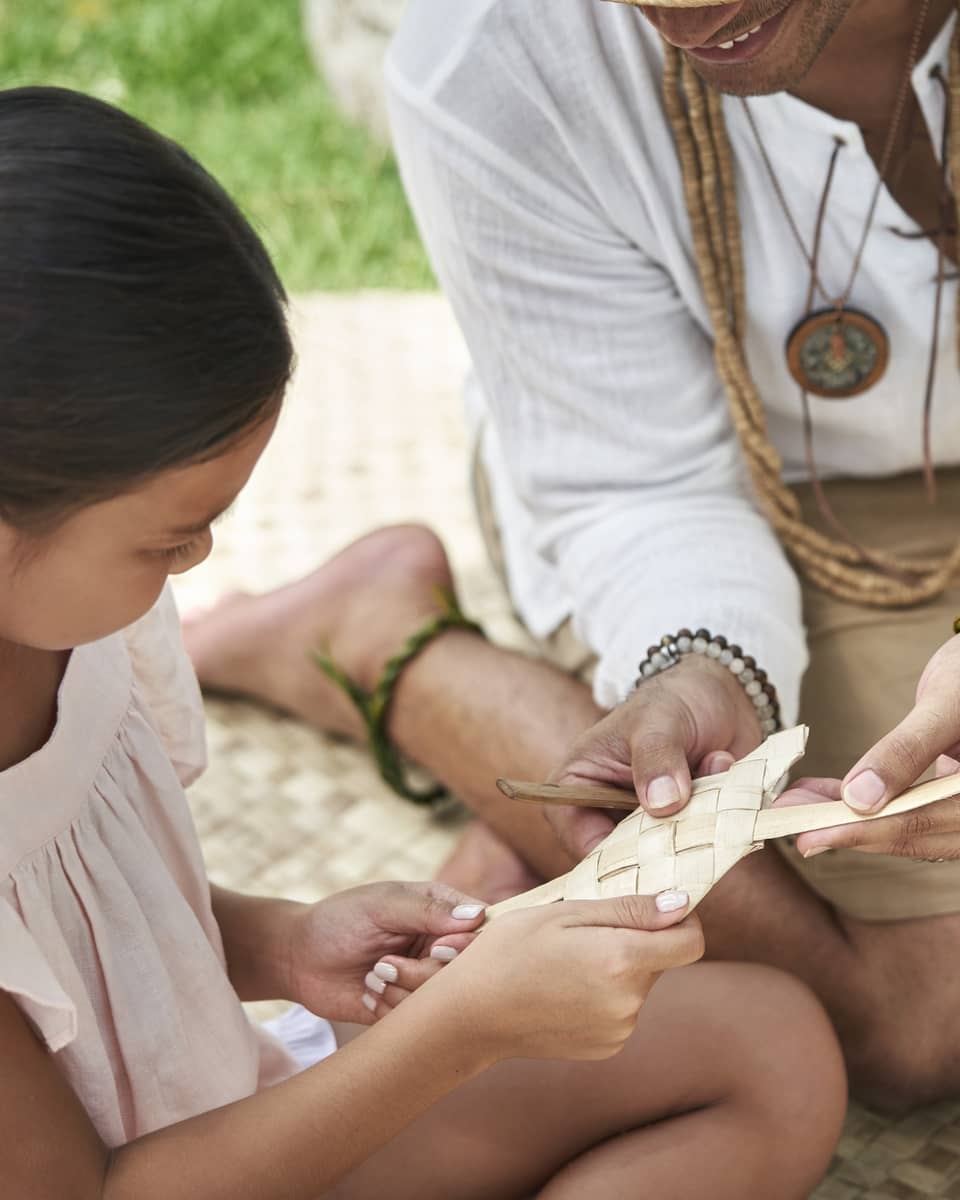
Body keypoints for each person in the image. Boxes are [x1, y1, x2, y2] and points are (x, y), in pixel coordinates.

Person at [0, 86, 846, 1200]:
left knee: (772, 1047)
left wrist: (284, 943)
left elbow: (87, 940)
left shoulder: (69, 611)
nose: (199, 560)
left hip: (222, 1118)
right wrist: (459, 1031)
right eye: (170, 537)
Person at [184, 0, 960, 1112]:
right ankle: (385, 645)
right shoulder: (496, 52)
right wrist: (703, 667)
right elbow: (638, 483)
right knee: (920, 1017)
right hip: (721, 491)